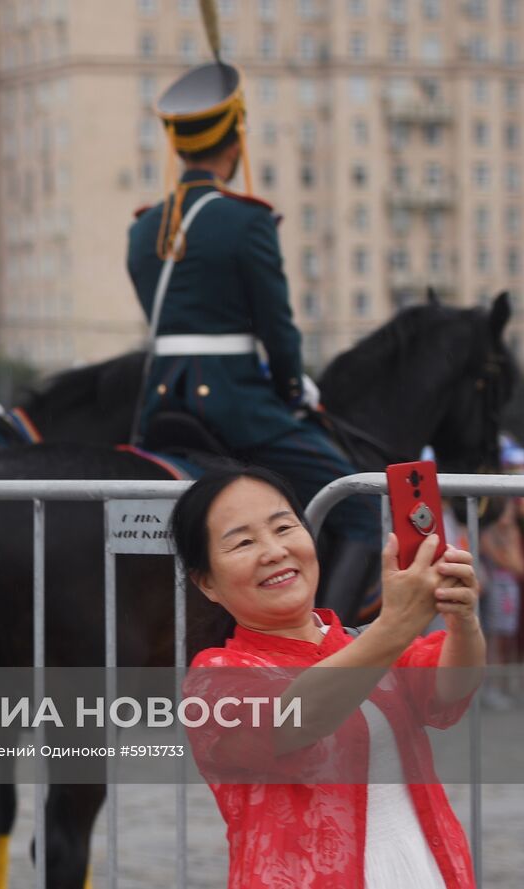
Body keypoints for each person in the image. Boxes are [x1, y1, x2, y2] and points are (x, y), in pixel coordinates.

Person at [126, 57, 379, 613]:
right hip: (234, 401)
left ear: (178, 143)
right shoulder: (246, 220)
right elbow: (277, 329)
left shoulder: (145, 225)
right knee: (360, 503)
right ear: (235, 139)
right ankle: (327, 652)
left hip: (160, 398)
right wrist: (292, 389)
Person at [172, 464, 483, 888]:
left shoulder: (361, 644)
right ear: (206, 582)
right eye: (243, 542)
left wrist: (462, 619)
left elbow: (448, 688)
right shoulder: (214, 680)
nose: (273, 551)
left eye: (284, 527)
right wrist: (396, 624)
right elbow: (299, 717)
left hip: (422, 868)